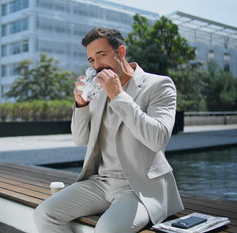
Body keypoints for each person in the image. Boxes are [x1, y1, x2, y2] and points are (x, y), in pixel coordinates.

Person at [33, 27, 183, 233]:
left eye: (101, 55)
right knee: (44, 213)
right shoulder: (97, 90)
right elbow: (79, 139)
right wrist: (81, 105)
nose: (96, 65)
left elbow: (158, 139)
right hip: (99, 182)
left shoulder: (159, 85)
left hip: (139, 188)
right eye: (91, 60)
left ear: (120, 52)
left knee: (107, 230)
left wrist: (118, 96)